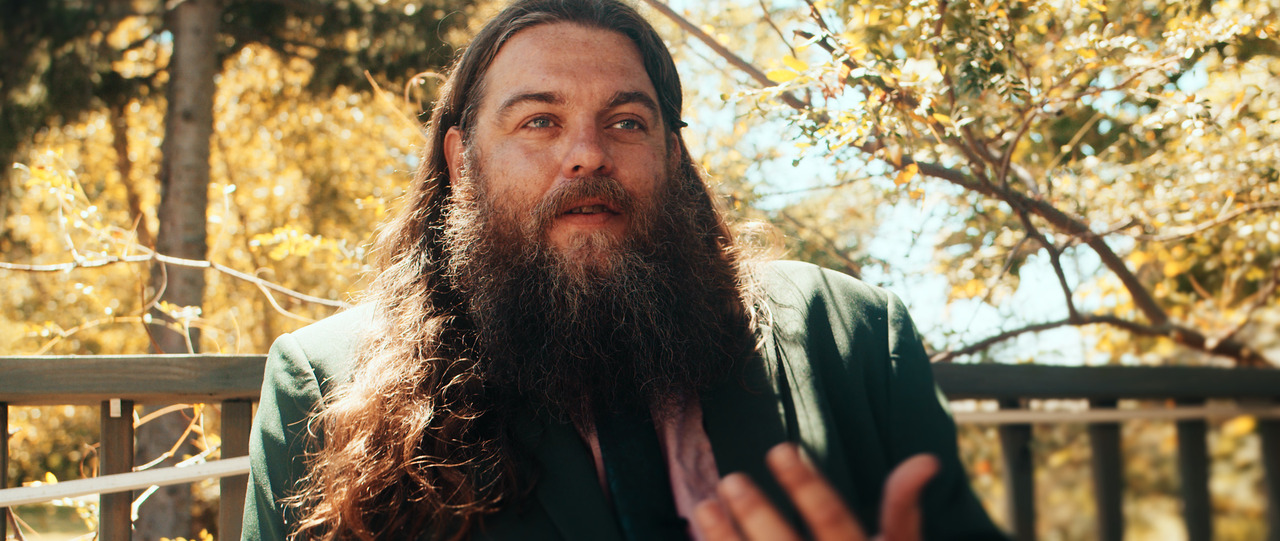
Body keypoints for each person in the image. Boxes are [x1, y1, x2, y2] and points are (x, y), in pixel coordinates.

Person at [242, 0, 1009, 539]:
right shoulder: (327, 381)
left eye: (627, 122)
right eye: (539, 121)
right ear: (461, 160)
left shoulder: (855, 339)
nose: (587, 153)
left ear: (673, 157)